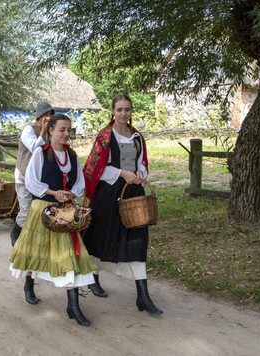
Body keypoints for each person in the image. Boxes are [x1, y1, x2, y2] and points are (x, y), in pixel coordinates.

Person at [9, 114, 97, 327]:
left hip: (65, 212)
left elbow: (79, 183)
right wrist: (53, 192)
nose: (66, 134)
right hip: (44, 210)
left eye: (69, 130)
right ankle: (29, 284)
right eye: (62, 130)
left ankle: (73, 305)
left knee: (69, 254)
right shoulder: (41, 153)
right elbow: (31, 181)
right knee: (36, 253)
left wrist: (70, 194)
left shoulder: (72, 155)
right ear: (50, 131)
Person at [81, 93, 163, 315]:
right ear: (112, 111)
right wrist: (121, 173)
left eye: (127, 110)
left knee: (137, 240)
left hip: (133, 193)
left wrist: (138, 172)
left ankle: (143, 296)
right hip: (108, 193)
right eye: (119, 110)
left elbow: (143, 162)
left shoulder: (137, 136)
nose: (124, 114)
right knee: (101, 237)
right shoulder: (105, 136)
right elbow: (94, 168)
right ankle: (93, 278)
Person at [10, 100, 53, 246]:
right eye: (45, 116)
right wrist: (42, 132)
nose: (47, 120)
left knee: (40, 210)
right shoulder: (28, 130)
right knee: (27, 210)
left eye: (50, 116)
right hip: (23, 176)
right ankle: (15, 232)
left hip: (38, 178)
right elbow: (35, 148)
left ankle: (32, 241)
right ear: (39, 117)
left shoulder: (50, 132)